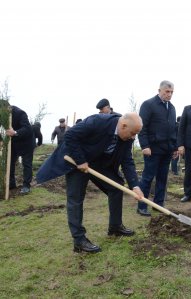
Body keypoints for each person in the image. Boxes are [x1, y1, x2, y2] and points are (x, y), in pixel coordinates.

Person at [36, 112, 144, 253]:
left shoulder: (128, 136)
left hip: (99, 163)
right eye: (132, 133)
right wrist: (80, 160)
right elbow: (70, 136)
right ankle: (79, 240)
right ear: (123, 125)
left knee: (116, 188)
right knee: (76, 199)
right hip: (76, 160)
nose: (133, 137)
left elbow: (127, 160)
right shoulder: (98, 121)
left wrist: (135, 185)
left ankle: (115, 227)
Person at [137, 80, 178, 216]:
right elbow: (142, 127)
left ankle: (158, 205)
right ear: (159, 90)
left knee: (162, 178)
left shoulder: (171, 108)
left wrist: (174, 147)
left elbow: (173, 129)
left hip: (167, 150)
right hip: (152, 149)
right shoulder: (148, 105)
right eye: (167, 91)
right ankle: (142, 205)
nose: (169, 94)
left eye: (171, 92)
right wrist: (145, 146)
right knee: (147, 178)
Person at [4, 103, 35, 194]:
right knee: (10, 163)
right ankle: (11, 183)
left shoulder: (20, 113)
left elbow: (27, 129)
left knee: (26, 164)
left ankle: (26, 186)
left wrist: (15, 132)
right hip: (13, 143)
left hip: (26, 142)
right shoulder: (2, 114)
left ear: (7, 107)